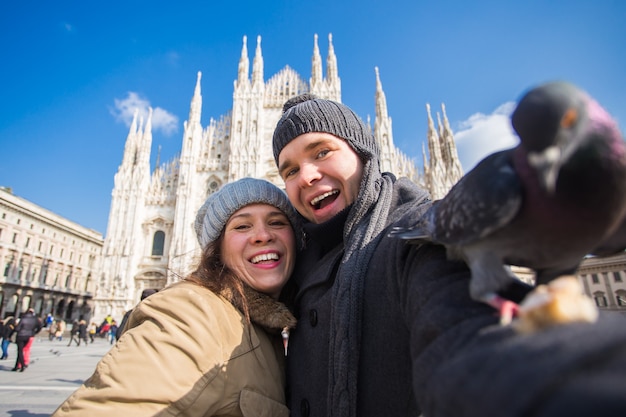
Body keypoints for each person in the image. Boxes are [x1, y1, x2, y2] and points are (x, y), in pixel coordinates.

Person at [271, 93, 626, 417]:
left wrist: (568, 379)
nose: (307, 176)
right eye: (289, 170)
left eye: (322, 152)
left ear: (363, 153)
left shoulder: (413, 233)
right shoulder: (290, 262)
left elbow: (463, 327)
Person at [52, 177, 300, 416]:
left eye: (277, 222)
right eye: (242, 226)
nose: (262, 235)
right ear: (216, 250)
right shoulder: (191, 316)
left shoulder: (267, 323)